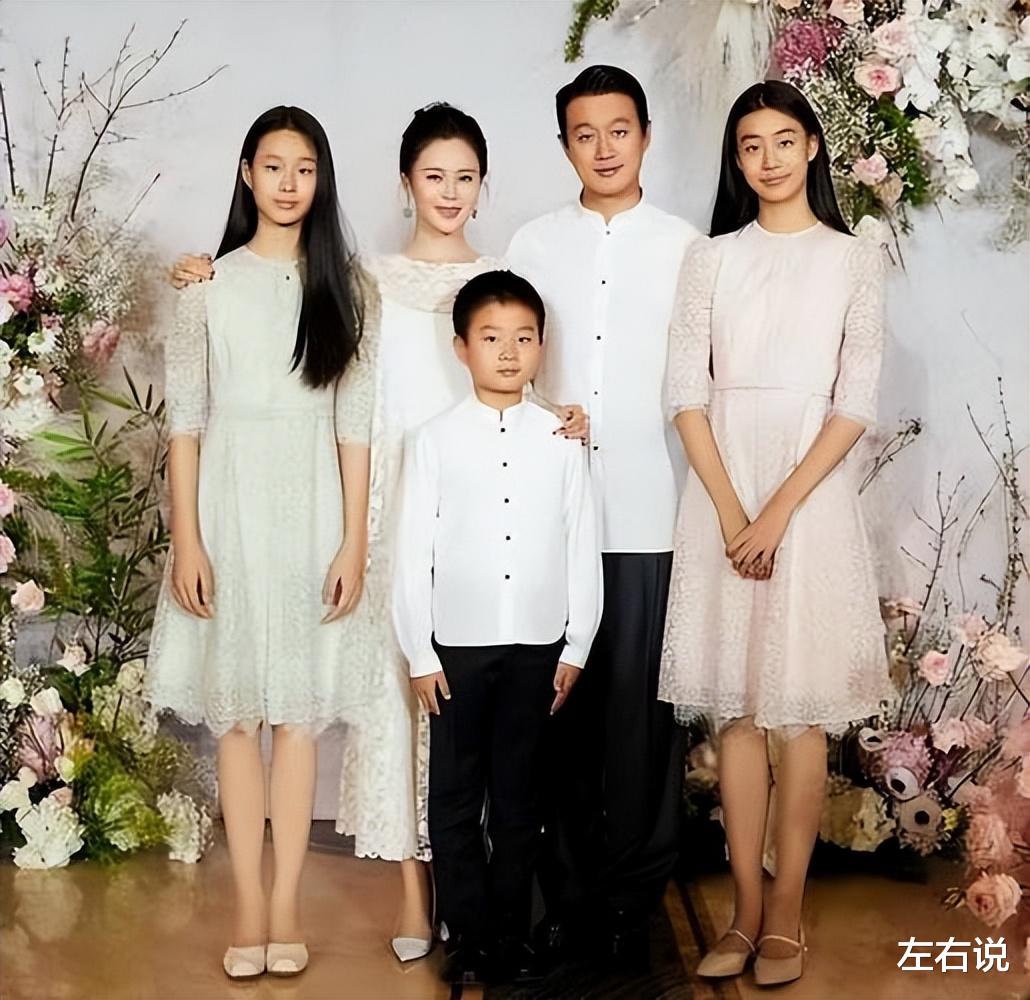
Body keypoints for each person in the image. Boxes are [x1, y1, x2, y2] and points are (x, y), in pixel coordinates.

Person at [168, 102, 588, 962]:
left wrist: (563, 414)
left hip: (428, 506)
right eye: (434, 175)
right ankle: (389, 897)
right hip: (331, 501)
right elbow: (212, 416)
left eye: (465, 176)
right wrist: (198, 537)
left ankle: (464, 897)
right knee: (367, 710)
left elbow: (506, 369)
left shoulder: (414, 281)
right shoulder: (336, 280)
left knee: (443, 713)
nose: (449, 190)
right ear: (405, 183)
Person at [659, 80, 890, 986]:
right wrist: (731, 513)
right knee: (739, 711)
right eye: (750, 145)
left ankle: (788, 909)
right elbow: (685, 393)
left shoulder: (853, 258)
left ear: (813, 147)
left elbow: (855, 401)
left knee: (798, 711)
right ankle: (744, 910)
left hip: (809, 496)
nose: (769, 159)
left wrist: (779, 510)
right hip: (722, 492)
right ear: (736, 159)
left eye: (784, 140)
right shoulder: (710, 259)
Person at [145, 106, 370, 980]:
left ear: (321, 180)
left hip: (314, 511)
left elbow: (354, 425)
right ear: (246, 173)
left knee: (297, 720)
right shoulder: (204, 288)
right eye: (272, 166)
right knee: (238, 720)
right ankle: (245, 908)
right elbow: (186, 425)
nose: (288, 183)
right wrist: (187, 540)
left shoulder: (345, 287)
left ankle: (285, 910)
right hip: (229, 510)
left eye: (304, 168)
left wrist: (353, 541)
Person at [505, 64, 699, 968]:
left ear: (646, 135)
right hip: (554, 520)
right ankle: (567, 895)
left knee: (642, 722)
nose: (604, 147)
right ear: (564, 146)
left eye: (619, 130)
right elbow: (508, 366)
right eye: (584, 134)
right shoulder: (533, 244)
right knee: (560, 716)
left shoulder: (688, 248)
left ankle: (632, 899)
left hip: (653, 513)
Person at [393, 269, 603, 986]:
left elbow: (580, 541)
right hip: (456, 647)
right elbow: (412, 550)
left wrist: (577, 643)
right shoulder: (435, 440)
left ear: (542, 345)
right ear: (461, 348)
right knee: (455, 796)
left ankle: (510, 932)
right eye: (490, 338)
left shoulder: (563, 437)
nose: (508, 353)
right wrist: (419, 652)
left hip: (538, 648)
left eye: (523, 337)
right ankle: (470, 934)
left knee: (520, 797)